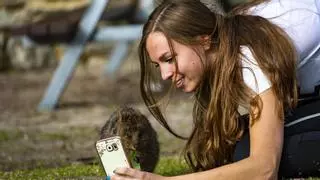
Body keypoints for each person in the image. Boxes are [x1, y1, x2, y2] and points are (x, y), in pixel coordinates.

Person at [110, 0, 320, 179]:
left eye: (169, 59)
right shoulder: (230, 34)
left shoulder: (252, 55)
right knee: (237, 147)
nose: (165, 74)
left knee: (248, 155)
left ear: (204, 39)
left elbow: (264, 170)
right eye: (159, 65)